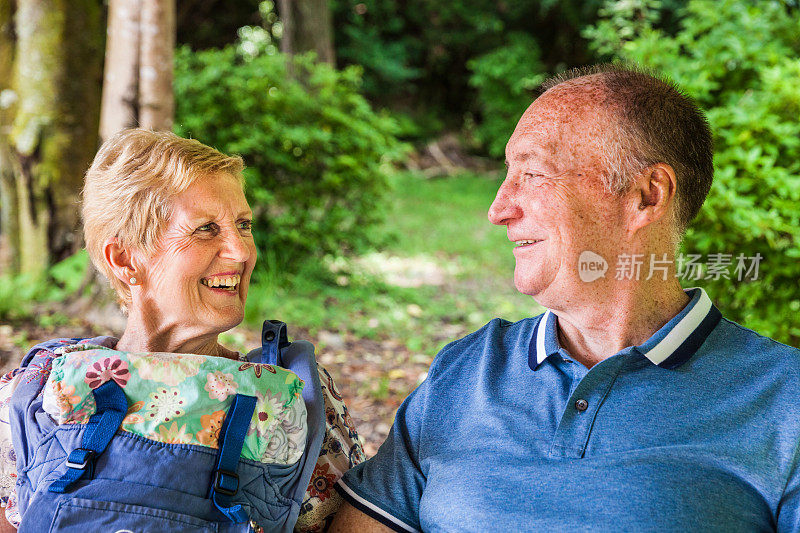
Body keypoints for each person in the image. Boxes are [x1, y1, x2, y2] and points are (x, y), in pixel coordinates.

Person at [330, 65, 800, 532]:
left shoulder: (785, 399)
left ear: (646, 196)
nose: (498, 209)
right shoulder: (461, 375)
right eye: (507, 173)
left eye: (533, 173)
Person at [0, 129, 364, 532]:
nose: (242, 251)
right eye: (206, 228)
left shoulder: (294, 394)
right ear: (124, 258)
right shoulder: (39, 391)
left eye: (244, 225)